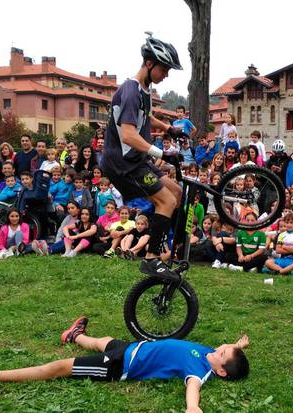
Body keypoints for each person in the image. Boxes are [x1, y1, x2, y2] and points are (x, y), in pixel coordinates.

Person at [0, 316, 249, 413]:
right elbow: (229, 351)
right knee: (105, 340)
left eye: (223, 353)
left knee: (62, 366)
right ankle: (75, 335)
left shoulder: (199, 371)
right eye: (224, 347)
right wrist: (239, 347)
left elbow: (192, 388)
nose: (221, 348)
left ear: (220, 371)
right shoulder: (212, 354)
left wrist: (192, 407)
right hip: (132, 349)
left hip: (120, 366)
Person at [99, 33, 185, 280]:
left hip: (136, 161)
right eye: (165, 69)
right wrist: (162, 153)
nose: (166, 74)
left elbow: (146, 117)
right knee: (166, 201)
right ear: (150, 64)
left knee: (176, 193)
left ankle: (172, 248)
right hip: (124, 164)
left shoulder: (143, 91)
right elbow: (127, 134)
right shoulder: (130, 91)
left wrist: (169, 128)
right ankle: (151, 259)